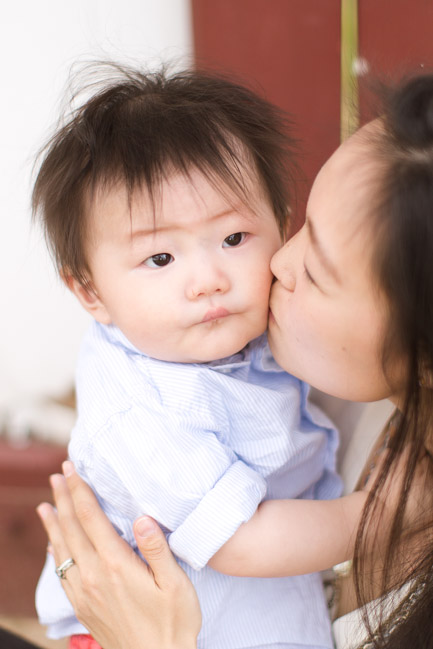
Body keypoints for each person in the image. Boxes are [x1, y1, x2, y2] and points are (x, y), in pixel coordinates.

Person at [37, 72, 433, 649]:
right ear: (90, 292)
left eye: (235, 239)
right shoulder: (143, 407)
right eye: (162, 256)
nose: (211, 282)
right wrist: (373, 519)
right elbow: (241, 540)